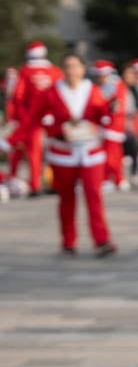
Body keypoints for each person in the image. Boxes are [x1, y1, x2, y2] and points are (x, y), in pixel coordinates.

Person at [1, 54, 118, 257]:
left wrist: (109, 112)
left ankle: (102, 240)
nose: (71, 70)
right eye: (67, 66)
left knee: (94, 195)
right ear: (62, 70)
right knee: (66, 198)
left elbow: (103, 116)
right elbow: (31, 120)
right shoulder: (52, 92)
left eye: (75, 66)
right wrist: (9, 141)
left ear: (83, 69)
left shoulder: (93, 90)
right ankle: (68, 241)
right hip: (63, 153)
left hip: (90, 152)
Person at [7, 41, 62, 196]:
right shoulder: (55, 71)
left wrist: (23, 118)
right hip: (52, 116)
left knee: (34, 152)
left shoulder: (25, 71)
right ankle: (55, 183)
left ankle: (35, 185)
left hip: (33, 117)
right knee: (55, 149)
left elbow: (18, 96)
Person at [91, 60, 129, 192]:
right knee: (113, 155)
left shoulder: (114, 86)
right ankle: (116, 179)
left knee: (111, 156)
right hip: (107, 125)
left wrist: (105, 116)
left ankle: (111, 179)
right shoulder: (109, 85)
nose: (98, 78)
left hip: (112, 126)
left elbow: (114, 107)